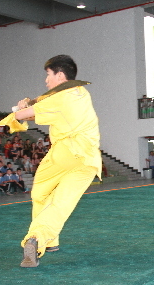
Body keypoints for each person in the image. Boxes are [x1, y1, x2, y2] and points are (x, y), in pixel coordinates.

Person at [7, 54, 101, 267]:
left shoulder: (59, 98)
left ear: (60, 75)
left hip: (66, 153)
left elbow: (22, 115)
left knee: (40, 194)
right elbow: (45, 110)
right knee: (62, 203)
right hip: (89, 158)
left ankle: (39, 238)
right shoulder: (82, 93)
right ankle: (44, 240)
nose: (46, 80)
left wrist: (20, 108)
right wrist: (32, 106)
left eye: (48, 75)